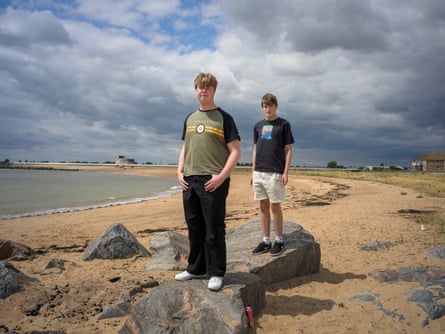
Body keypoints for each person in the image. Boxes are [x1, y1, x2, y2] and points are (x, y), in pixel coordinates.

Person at [175, 72, 241, 291]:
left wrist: (221, 177)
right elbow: (186, 147)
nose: (203, 90)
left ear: (214, 90)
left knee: (214, 228)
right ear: (195, 90)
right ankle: (195, 268)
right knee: (194, 227)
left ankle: (216, 272)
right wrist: (179, 171)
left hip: (213, 180)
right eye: (199, 87)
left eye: (207, 87)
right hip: (189, 179)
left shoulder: (224, 118)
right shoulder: (190, 118)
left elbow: (235, 151)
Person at [251, 93, 294, 256]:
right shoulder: (258, 125)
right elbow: (256, 149)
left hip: (275, 172)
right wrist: (252, 172)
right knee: (263, 206)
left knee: (275, 206)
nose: (267, 109)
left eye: (269, 105)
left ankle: (279, 240)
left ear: (276, 106)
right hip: (259, 172)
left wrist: (285, 172)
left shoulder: (283, 124)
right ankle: (266, 240)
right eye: (264, 106)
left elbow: (288, 149)